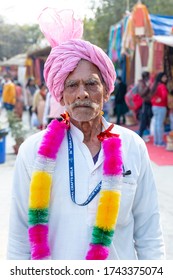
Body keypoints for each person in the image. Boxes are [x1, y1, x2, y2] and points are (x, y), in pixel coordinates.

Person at [7, 8, 165, 260]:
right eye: (72, 85)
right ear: (61, 95)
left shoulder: (132, 146)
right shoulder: (33, 151)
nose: (82, 93)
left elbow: (149, 234)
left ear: (106, 91)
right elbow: (18, 238)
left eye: (91, 83)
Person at [150, 72, 168, 146]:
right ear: (161, 78)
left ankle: (156, 141)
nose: (166, 78)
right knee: (160, 124)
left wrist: (156, 100)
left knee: (157, 124)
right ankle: (160, 141)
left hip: (154, 106)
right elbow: (164, 96)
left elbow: (151, 96)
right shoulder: (162, 86)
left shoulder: (155, 85)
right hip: (161, 107)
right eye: (164, 77)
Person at [137, 71, 153, 140]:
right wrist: (147, 87)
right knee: (144, 119)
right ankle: (140, 135)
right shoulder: (141, 83)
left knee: (148, 119)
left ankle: (145, 134)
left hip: (150, 103)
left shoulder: (147, 82)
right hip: (145, 103)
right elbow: (141, 93)